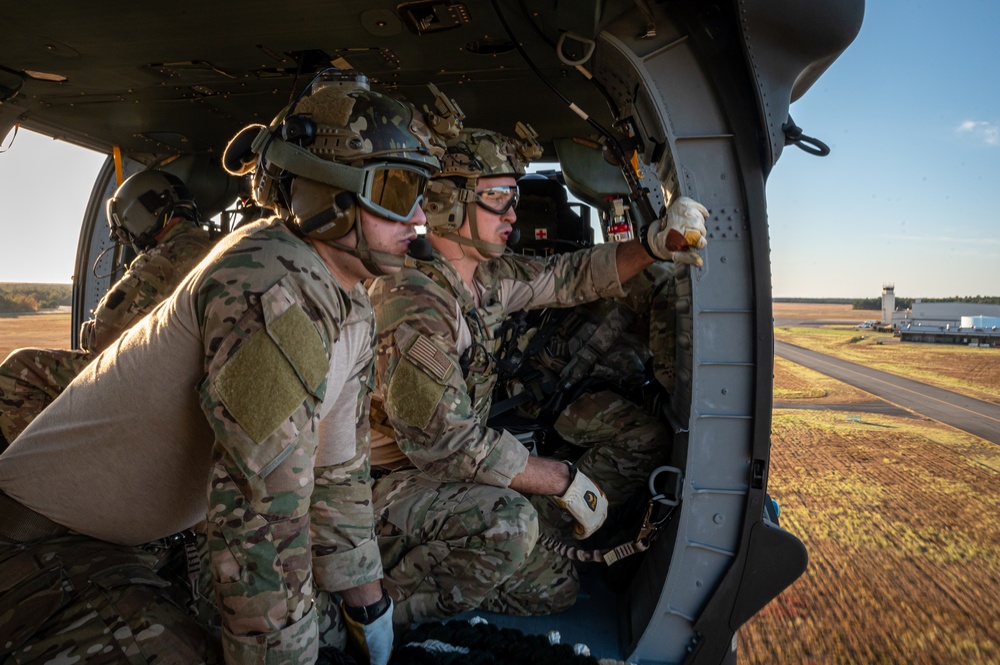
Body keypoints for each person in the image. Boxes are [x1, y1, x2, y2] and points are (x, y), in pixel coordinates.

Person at [0, 70, 444, 665]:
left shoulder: (353, 306)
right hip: (43, 543)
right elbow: (260, 505)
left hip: (133, 544)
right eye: (397, 192)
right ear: (328, 193)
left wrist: (369, 611)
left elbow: (338, 473)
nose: (418, 219)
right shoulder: (273, 276)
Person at [367, 126, 709, 623]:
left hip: (441, 476)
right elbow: (444, 445)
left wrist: (653, 248)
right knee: (513, 526)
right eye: (498, 197)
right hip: (391, 486)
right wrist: (558, 478)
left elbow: (571, 276)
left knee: (556, 590)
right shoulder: (414, 303)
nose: (512, 213)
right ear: (448, 204)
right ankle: (380, 614)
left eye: (515, 197)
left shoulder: (484, 276)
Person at [0, 170, 215, 447]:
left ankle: (36, 471)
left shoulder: (166, 258)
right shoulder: (215, 250)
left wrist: (88, 331)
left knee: (19, 367)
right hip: (189, 385)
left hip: (150, 384)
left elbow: (102, 338)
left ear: (140, 214)